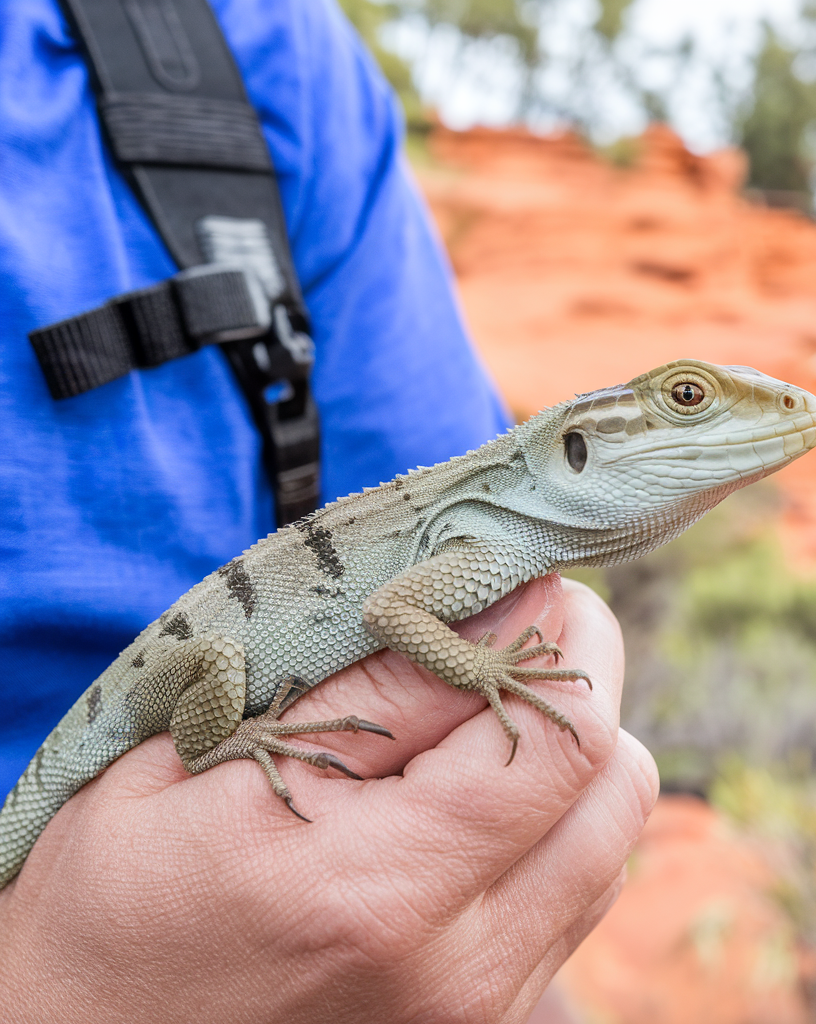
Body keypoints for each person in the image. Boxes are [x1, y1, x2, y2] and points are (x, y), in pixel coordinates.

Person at [0, 0, 658, 1019]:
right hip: (170, 753)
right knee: (218, 675)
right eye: (685, 403)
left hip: (315, 892)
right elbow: (398, 616)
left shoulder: (264, 52)